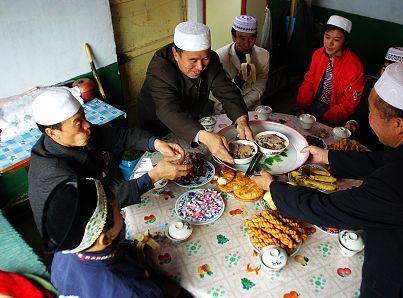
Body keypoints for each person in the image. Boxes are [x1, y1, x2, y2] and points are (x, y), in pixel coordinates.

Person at [252, 64, 403, 297]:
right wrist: (328, 156)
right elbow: (389, 161)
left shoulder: (398, 186)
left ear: (398, 124)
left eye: (371, 113)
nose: (368, 118)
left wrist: (274, 187)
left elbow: (326, 209)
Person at [28, 87, 191, 237]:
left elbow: (121, 136)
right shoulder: (52, 175)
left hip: (102, 196)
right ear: (53, 133)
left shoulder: (78, 135)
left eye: (84, 116)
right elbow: (99, 204)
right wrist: (153, 176)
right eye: (78, 123)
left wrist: (156, 144)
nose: (87, 125)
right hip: (79, 233)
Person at [47, 177, 189, 297]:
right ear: (106, 239)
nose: (122, 213)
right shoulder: (127, 288)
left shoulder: (67, 249)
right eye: (118, 210)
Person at [137, 21, 253, 164]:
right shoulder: (160, 69)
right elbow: (168, 111)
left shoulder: (213, 60)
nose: (200, 67)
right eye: (192, 60)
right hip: (158, 124)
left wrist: (241, 120)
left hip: (190, 120)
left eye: (205, 58)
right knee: (166, 164)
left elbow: (227, 91)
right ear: (175, 54)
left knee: (195, 159)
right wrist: (204, 136)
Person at [345, 47, 403, 150]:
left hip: (389, 152)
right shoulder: (372, 85)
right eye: (384, 69)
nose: (386, 75)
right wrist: (352, 123)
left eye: (392, 72)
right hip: (361, 144)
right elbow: (360, 113)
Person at [297, 15, 364, 126]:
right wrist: (302, 107)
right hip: (313, 104)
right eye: (327, 37)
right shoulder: (318, 54)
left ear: (345, 41)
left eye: (336, 40)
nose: (329, 43)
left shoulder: (355, 66)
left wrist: (326, 119)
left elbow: (349, 103)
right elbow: (309, 81)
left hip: (334, 112)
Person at [214, 15, 270, 112]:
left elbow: (259, 88)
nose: (247, 43)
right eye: (242, 38)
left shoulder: (264, 55)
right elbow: (222, 90)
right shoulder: (220, 57)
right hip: (226, 105)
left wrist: (241, 107)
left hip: (252, 104)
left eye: (251, 38)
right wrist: (239, 79)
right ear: (233, 37)